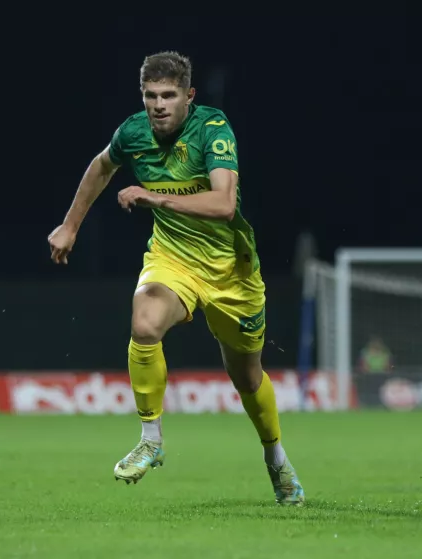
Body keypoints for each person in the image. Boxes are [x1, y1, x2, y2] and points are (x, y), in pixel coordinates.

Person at [47, 51, 304, 505]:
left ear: (189, 97)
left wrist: (155, 199)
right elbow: (101, 166)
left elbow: (224, 204)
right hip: (173, 258)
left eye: (169, 95)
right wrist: (70, 225)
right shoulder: (132, 132)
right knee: (144, 322)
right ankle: (151, 438)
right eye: (151, 96)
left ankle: (276, 459)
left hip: (232, 269)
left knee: (247, 379)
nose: (159, 105)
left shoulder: (212, 128)